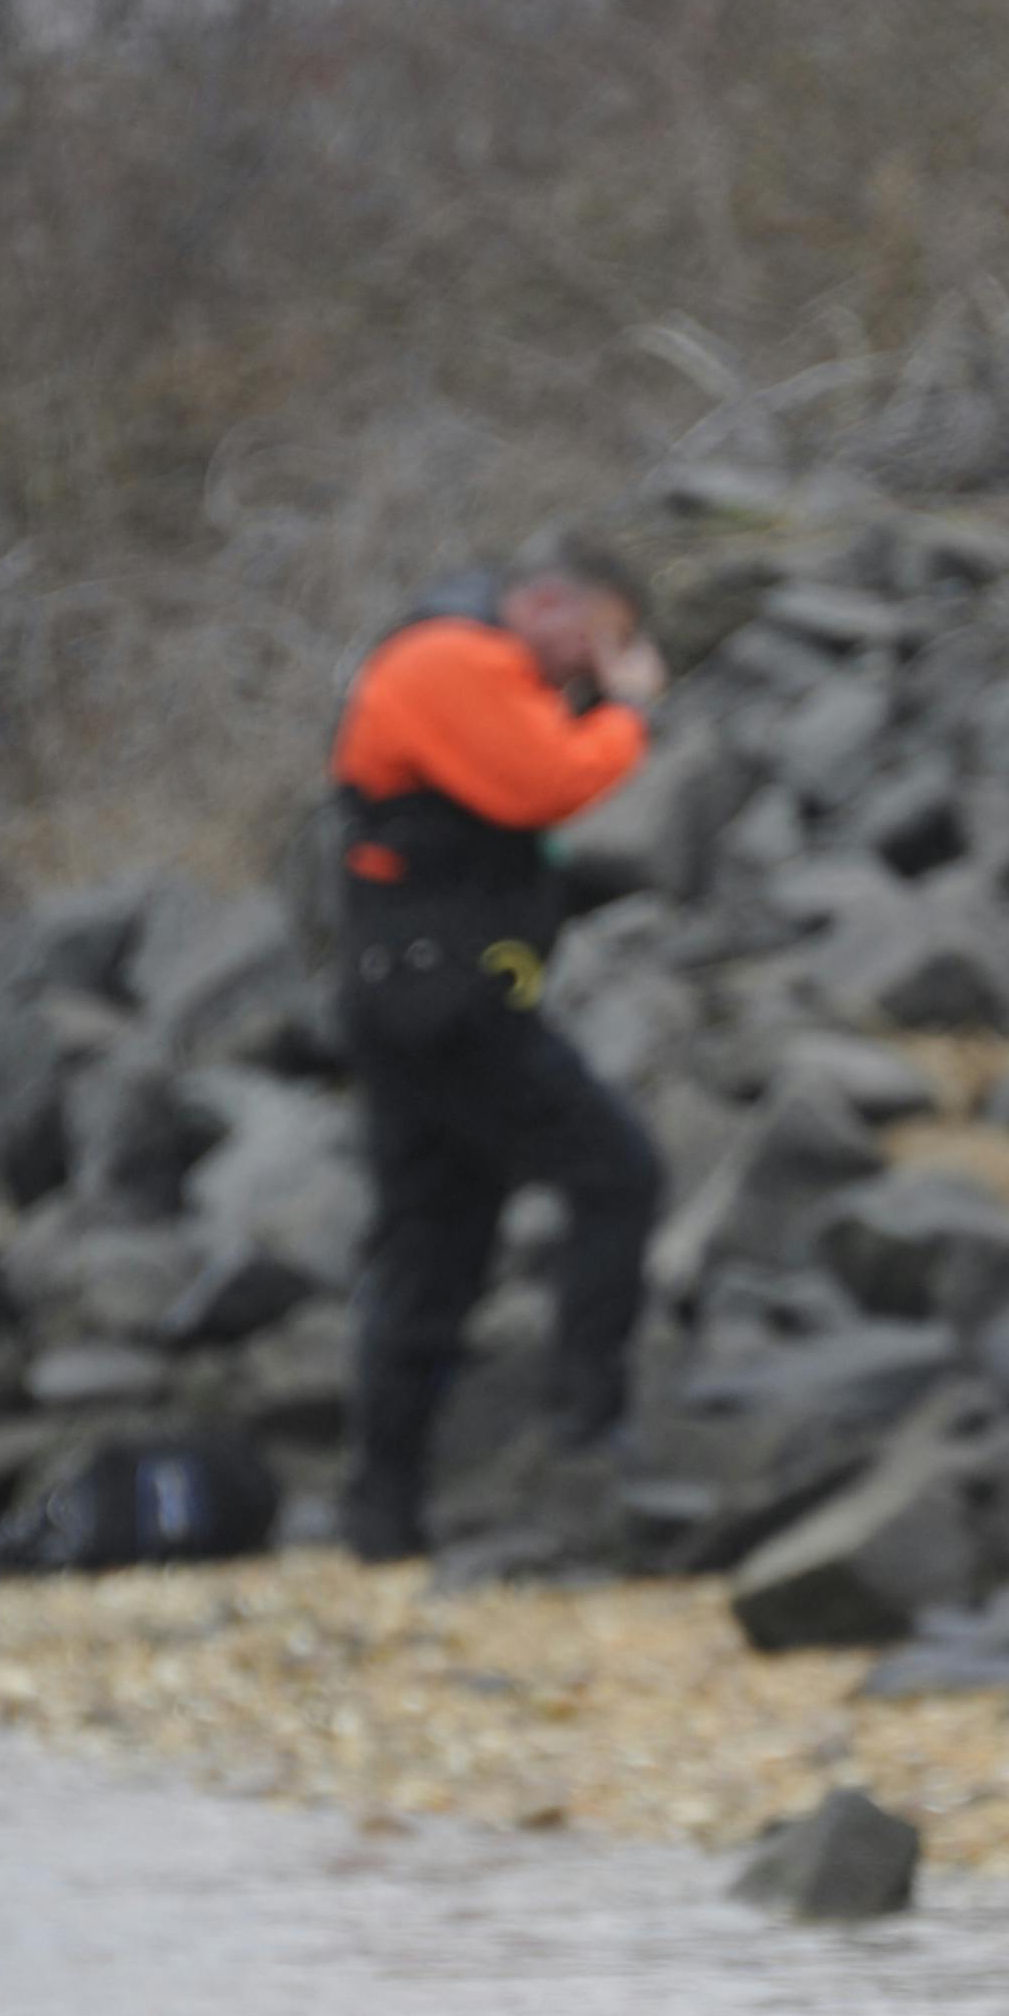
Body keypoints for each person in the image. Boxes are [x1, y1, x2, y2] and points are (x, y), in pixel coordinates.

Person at [326, 538, 671, 1563]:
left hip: (426, 1000)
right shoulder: (454, 657)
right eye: (602, 637)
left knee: (435, 1250)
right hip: (445, 1007)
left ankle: (383, 1512)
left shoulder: (482, 669)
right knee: (618, 1175)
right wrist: (628, 711)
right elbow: (544, 784)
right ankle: (586, 1433)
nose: (596, 664)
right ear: (546, 603)